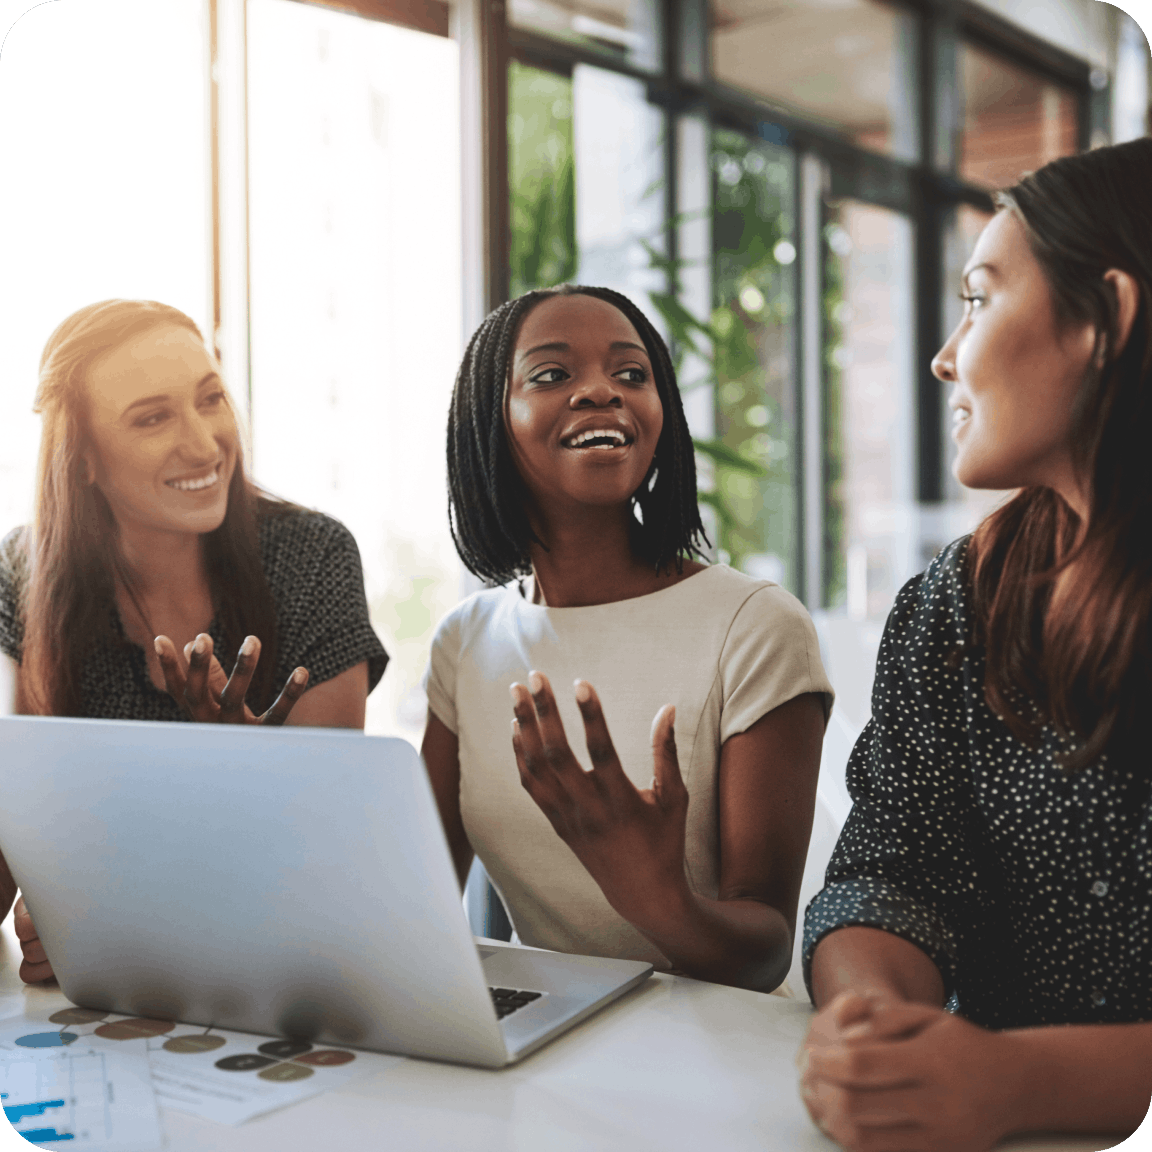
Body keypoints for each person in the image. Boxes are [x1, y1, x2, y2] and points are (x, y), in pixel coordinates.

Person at [798, 138, 1152, 1150]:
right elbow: (889, 870)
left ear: (1106, 320)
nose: (945, 355)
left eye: (980, 296)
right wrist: (872, 1021)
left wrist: (1019, 1083)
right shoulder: (958, 604)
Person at [421, 284, 833, 992]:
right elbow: (415, 905)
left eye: (631, 374)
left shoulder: (756, 625)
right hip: (552, 1040)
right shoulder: (465, 642)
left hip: (723, 1050)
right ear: (489, 423)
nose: (600, 392)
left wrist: (656, 898)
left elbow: (763, 951)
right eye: (552, 375)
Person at [1, 299, 388, 981]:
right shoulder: (19, 575)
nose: (206, 444)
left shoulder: (313, 557)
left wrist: (107, 911)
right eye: (152, 418)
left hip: (282, 988)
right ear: (82, 459)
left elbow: (320, 865)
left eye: (210, 399)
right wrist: (59, 912)